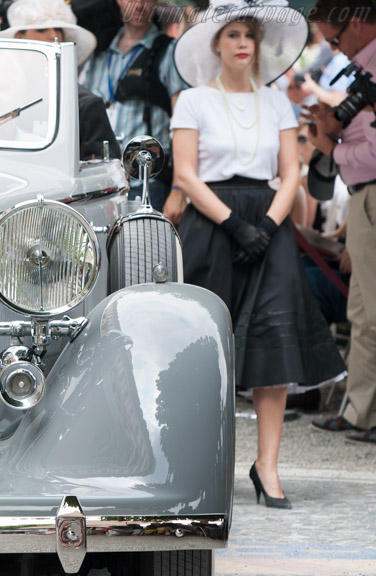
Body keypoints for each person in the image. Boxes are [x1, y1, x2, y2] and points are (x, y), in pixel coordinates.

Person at [170, 0, 344, 508]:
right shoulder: (194, 101)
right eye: (233, 35)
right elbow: (184, 175)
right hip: (212, 222)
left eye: (250, 35)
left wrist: (267, 225)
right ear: (217, 44)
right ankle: (203, 465)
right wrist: (234, 224)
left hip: (269, 224)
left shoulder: (275, 103)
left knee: (274, 343)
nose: (243, 43)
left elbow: (291, 171)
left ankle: (267, 466)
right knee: (207, 346)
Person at [307, 0, 376, 444]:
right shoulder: (362, 71)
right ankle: (360, 413)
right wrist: (332, 128)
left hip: (370, 192)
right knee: (362, 313)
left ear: (354, 22)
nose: (336, 50)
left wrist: (331, 148)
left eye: (334, 39)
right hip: (361, 196)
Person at [81, 0, 188, 216]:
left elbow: (183, 126)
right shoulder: (99, 52)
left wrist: (178, 189)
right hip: (101, 183)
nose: (139, 5)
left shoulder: (170, 51)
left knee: (143, 249)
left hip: (148, 183)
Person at [0, 0, 120, 160]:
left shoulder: (83, 105)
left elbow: (102, 172)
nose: (54, 35)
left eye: (59, 29)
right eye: (41, 29)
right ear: (19, 38)